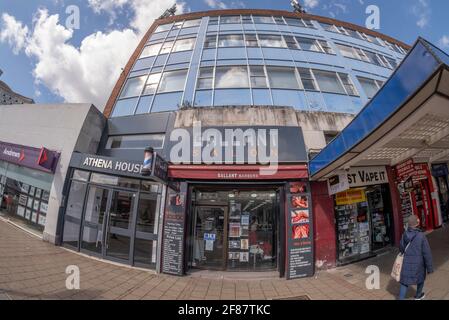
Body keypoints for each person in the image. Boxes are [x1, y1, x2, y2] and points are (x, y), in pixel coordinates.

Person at [398, 215, 434, 300]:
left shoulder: (405, 234)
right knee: (420, 279)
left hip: (406, 262)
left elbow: (401, 248)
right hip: (419, 264)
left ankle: (401, 298)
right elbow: (427, 253)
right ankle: (418, 296)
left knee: (404, 282)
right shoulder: (421, 235)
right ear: (417, 223)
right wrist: (430, 268)